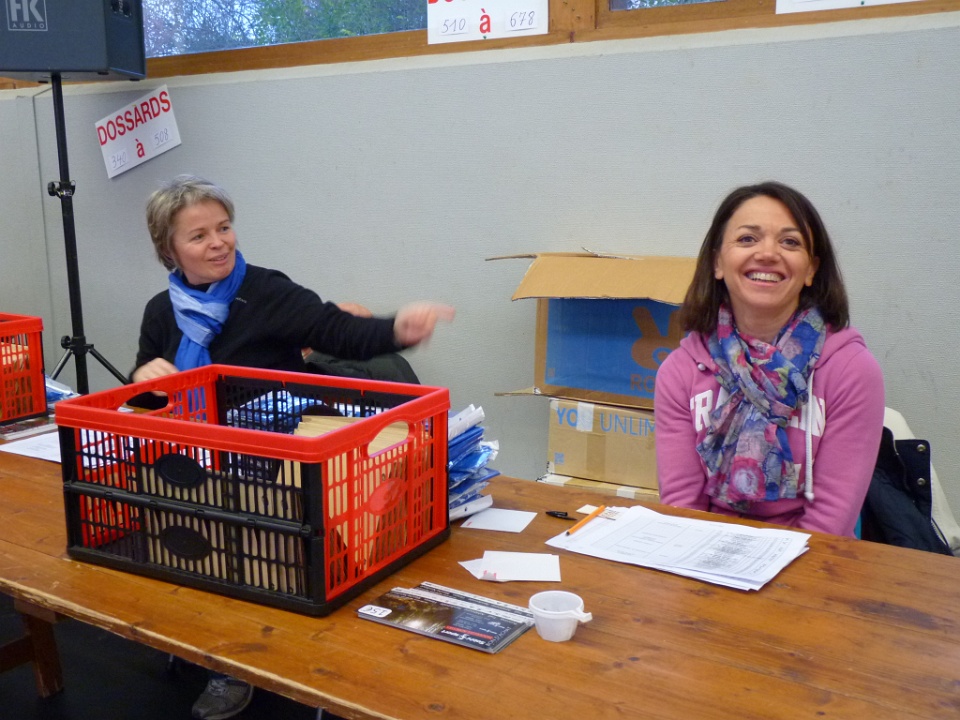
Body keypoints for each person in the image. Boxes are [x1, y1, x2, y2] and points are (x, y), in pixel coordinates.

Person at [132, 175, 454, 720]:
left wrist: (397, 329)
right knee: (186, 544)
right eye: (199, 236)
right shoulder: (161, 311)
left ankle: (247, 666)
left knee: (255, 558)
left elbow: (337, 330)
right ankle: (211, 645)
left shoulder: (267, 291)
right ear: (169, 249)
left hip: (273, 459)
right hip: (194, 457)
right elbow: (143, 396)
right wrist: (145, 378)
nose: (218, 243)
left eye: (224, 227)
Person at [654, 181, 884, 538]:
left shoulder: (851, 370)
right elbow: (682, 508)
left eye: (790, 242)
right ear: (717, 262)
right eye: (747, 239)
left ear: (811, 270)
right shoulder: (680, 372)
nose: (767, 253)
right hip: (702, 553)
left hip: (812, 558)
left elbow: (830, 522)